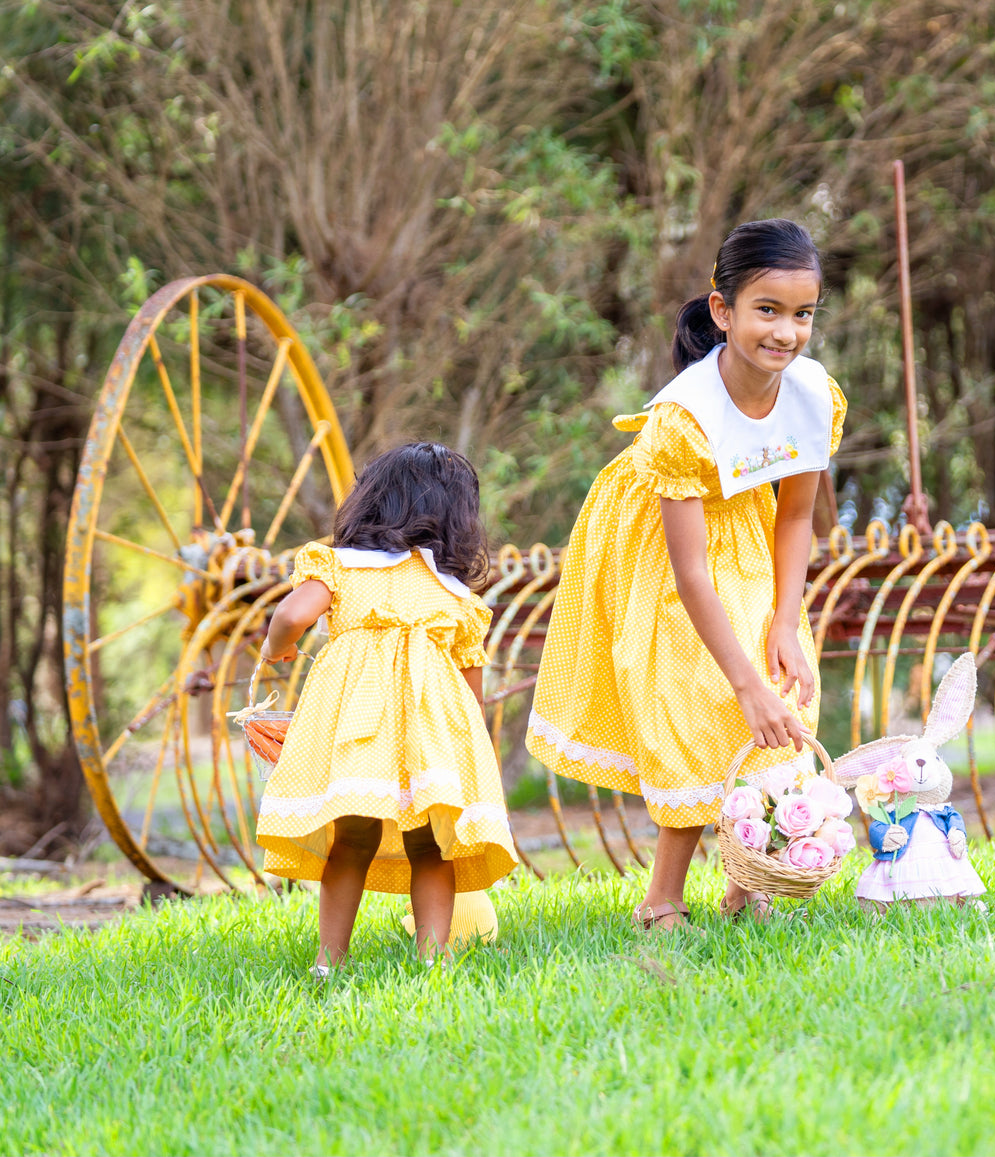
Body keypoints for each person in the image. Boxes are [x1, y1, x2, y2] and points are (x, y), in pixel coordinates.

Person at [526, 219, 846, 930]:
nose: (786, 332)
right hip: (661, 542)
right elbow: (690, 571)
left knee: (783, 682)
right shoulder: (683, 419)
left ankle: (747, 875)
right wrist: (743, 681)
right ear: (722, 310)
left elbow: (795, 516)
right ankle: (661, 898)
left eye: (803, 315)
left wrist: (785, 621)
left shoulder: (814, 395)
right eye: (767, 310)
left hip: (748, 530)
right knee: (701, 697)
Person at [255, 442, 517, 973]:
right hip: (431, 740)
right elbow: (471, 692)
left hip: (358, 732)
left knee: (350, 839)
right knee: (431, 845)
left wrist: (275, 647)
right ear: (457, 520)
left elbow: (291, 613)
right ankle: (433, 959)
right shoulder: (455, 596)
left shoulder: (341, 566)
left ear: (370, 503)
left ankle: (330, 960)